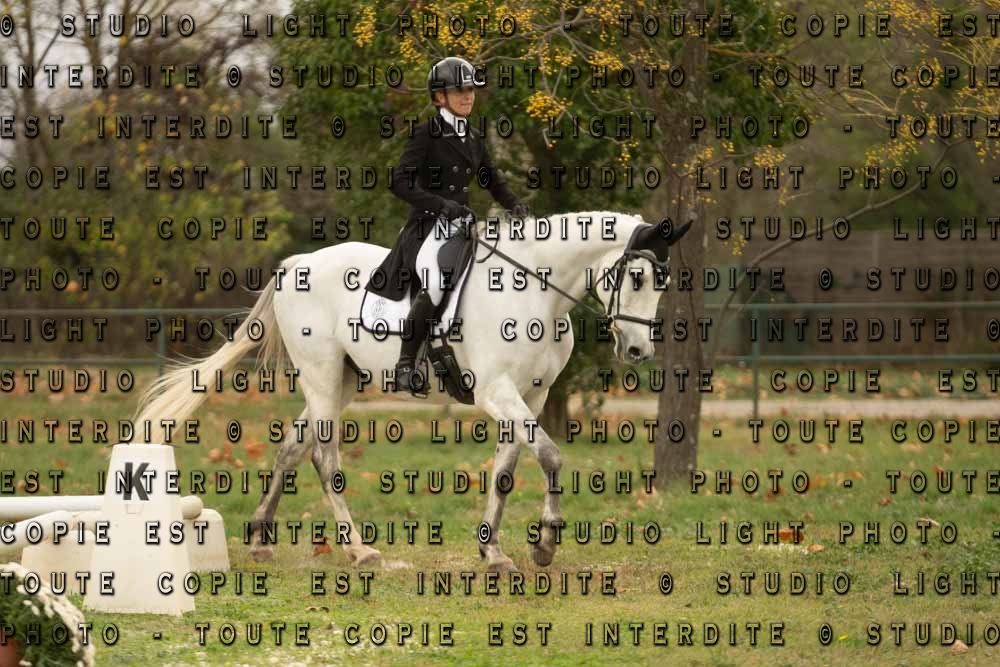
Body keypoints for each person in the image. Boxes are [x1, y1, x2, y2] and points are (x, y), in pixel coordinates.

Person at [367, 56, 531, 394]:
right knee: (437, 282)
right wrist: (441, 205)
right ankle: (405, 365)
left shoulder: (474, 136)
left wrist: (515, 205)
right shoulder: (426, 134)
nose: (468, 95)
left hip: (463, 228)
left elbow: (492, 180)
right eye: (460, 90)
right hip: (427, 228)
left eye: (470, 89)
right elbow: (399, 182)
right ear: (440, 96)